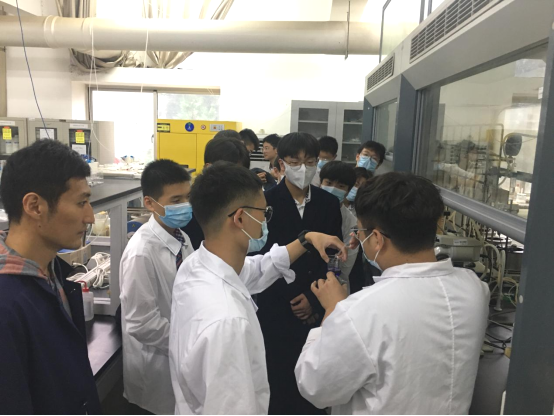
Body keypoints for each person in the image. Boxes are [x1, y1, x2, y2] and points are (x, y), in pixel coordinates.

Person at [295, 172, 490, 415]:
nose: (357, 237)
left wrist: (333, 310)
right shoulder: (474, 288)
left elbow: (315, 387)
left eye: (360, 232)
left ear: (377, 239)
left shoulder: (359, 312)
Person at [169, 162, 347, 415]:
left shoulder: (196, 265)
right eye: (264, 213)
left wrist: (306, 239)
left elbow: (257, 268)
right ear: (240, 218)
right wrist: (332, 312)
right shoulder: (229, 321)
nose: (266, 220)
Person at [0, 140, 101, 414]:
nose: (90, 217)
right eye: (81, 203)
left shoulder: (52, 272)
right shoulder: (7, 306)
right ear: (35, 206)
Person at [257, 132, 343, 415]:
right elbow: (259, 258)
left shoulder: (328, 203)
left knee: (312, 383)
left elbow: (333, 258)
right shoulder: (265, 202)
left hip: (315, 304)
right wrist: (293, 298)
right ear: (281, 164)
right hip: (274, 306)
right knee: (277, 381)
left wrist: (313, 299)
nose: (303, 169)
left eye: (310, 162)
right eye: (295, 162)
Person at [120, 160, 194, 415]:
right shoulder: (141, 252)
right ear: (150, 203)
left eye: (187, 197)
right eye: (176, 200)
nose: (185, 206)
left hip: (181, 361)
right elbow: (141, 323)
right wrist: (188, 343)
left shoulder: (181, 236)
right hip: (155, 373)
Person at [183, 135, 251, 250]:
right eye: (232, 174)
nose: (238, 181)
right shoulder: (189, 214)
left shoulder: (242, 207)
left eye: (242, 174)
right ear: (209, 168)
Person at [319, 161, 359, 289]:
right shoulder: (307, 210)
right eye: (328, 183)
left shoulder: (351, 222)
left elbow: (345, 264)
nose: (333, 189)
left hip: (333, 285)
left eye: (341, 186)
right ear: (320, 183)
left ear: (348, 191)